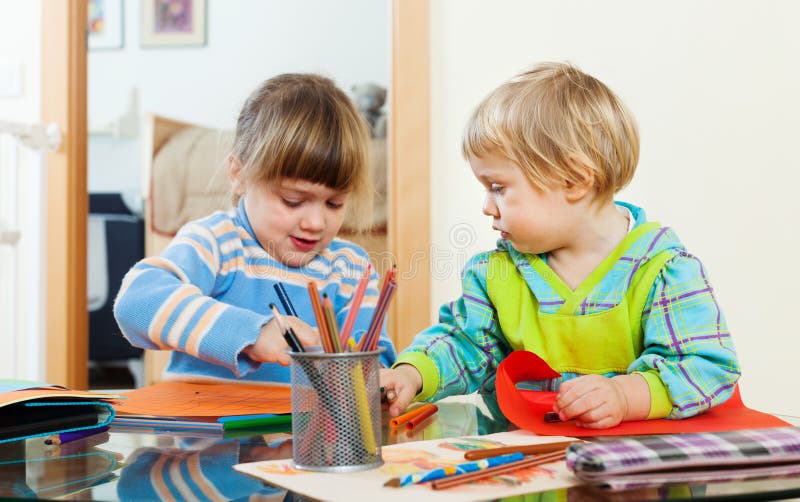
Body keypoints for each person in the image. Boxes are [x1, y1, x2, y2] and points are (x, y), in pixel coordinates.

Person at [381, 62, 740, 429]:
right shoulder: (497, 273)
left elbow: (707, 367)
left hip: (635, 470)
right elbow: (466, 345)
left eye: (498, 187)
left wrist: (625, 395)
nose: (487, 207)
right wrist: (412, 373)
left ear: (573, 180)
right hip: (526, 464)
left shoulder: (661, 269)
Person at [114, 73, 397, 384]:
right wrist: (253, 334)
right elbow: (135, 303)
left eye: (334, 204)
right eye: (292, 200)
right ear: (239, 174)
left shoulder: (352, 269)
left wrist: (378, 377)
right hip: (206, 429)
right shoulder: (217, 243)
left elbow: (374, 360)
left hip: (306, 431)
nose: (316, 223)